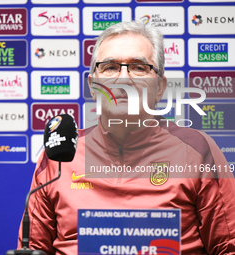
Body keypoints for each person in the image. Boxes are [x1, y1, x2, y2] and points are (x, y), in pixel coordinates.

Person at [17, 21, 235, 254]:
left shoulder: (197, 151)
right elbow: (33, 249)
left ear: (160, 87)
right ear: (93, 86)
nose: (122, 79)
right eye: (110, 67)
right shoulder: (61, 156)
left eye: (139, 68)